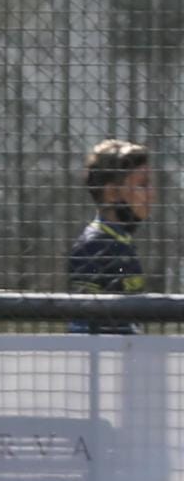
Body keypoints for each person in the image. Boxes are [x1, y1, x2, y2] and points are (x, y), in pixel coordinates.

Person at [68, 138, 151, 335]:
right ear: (112, 192)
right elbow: (81, 329)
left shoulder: (121, 241)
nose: (152, 194)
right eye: (143, 185)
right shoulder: (94, 246)